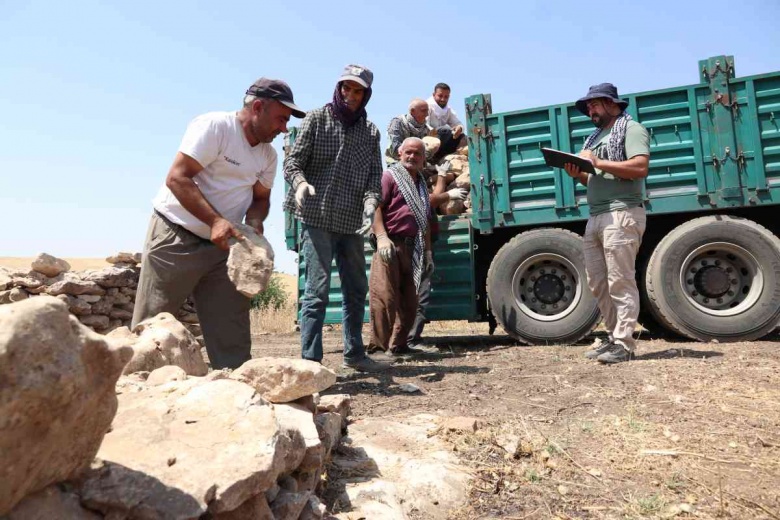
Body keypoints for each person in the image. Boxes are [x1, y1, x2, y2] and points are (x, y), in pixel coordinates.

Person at [132, 78, 305, 370]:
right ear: (258, 107)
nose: (284, 128)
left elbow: (260, 198)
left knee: (231, 334)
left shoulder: (268, 155)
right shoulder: (215, 127)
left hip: (226, 246)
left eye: (287, 121)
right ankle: (133, 390)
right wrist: (215, 220)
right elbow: (177, 177)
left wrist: (253, 223)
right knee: (152, 329)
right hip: (176, 235)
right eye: (280, 119)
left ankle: (236, 395)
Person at [284, 64, 390, 373]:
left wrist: (371, 204)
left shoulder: (370, 132)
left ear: (366, 95)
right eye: (346, 88)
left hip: (351, 223)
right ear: (338, 87)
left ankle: (354, 354)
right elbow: (293, 161)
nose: (350, 95)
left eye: (357, 91)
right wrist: (300, 183)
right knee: (316, 291)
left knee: (356, 290)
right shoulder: (317, 119)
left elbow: (374, 176)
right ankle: (311, 363)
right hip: (316, 216)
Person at [563, 83, 650, 364]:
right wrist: (578, 173)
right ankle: (614, 338)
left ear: (612, 104)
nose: (590, 110)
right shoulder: (596, 137)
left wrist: (598, 162)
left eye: (594, 104)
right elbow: (594, 179)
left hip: (622, 214)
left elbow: (639, 167)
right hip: (597, 215)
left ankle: (624, 344)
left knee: (620, 280)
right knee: (598, 282)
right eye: (588, 106)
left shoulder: (631, 129)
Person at [368, 138, 433, 357]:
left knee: (410, 302)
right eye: (408, 152)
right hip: (390, 245)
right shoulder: (389, 177)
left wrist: (428, 252)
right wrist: (381, 236)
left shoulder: (422, 184)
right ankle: (377, 350)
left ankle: (399, 346)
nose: (412, 157)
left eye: (417, 154)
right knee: (384, 298)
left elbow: (425, 220)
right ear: (400, 153)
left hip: (413, 248)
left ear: (424, 159)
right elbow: (376, 205)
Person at [426, 83, 466, 163]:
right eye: (440, 96)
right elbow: (424, 125)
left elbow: (457, 123)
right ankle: (430, 157)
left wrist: (459, 128)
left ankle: (446, 158)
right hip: (428, 140)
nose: (443, 99)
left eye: (446, 97)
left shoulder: (448, 110)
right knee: (446, 130)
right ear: (434, 95)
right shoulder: (426, 106)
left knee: (463, 137)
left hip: (442, 142)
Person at [385, 98, 430, 164]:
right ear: (412, 111)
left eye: (427, 111)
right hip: (397, 162)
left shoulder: (426, 129)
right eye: (424, 111)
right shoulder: (398, 122)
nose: (427, 114)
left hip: (418, 164)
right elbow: (394, 149)